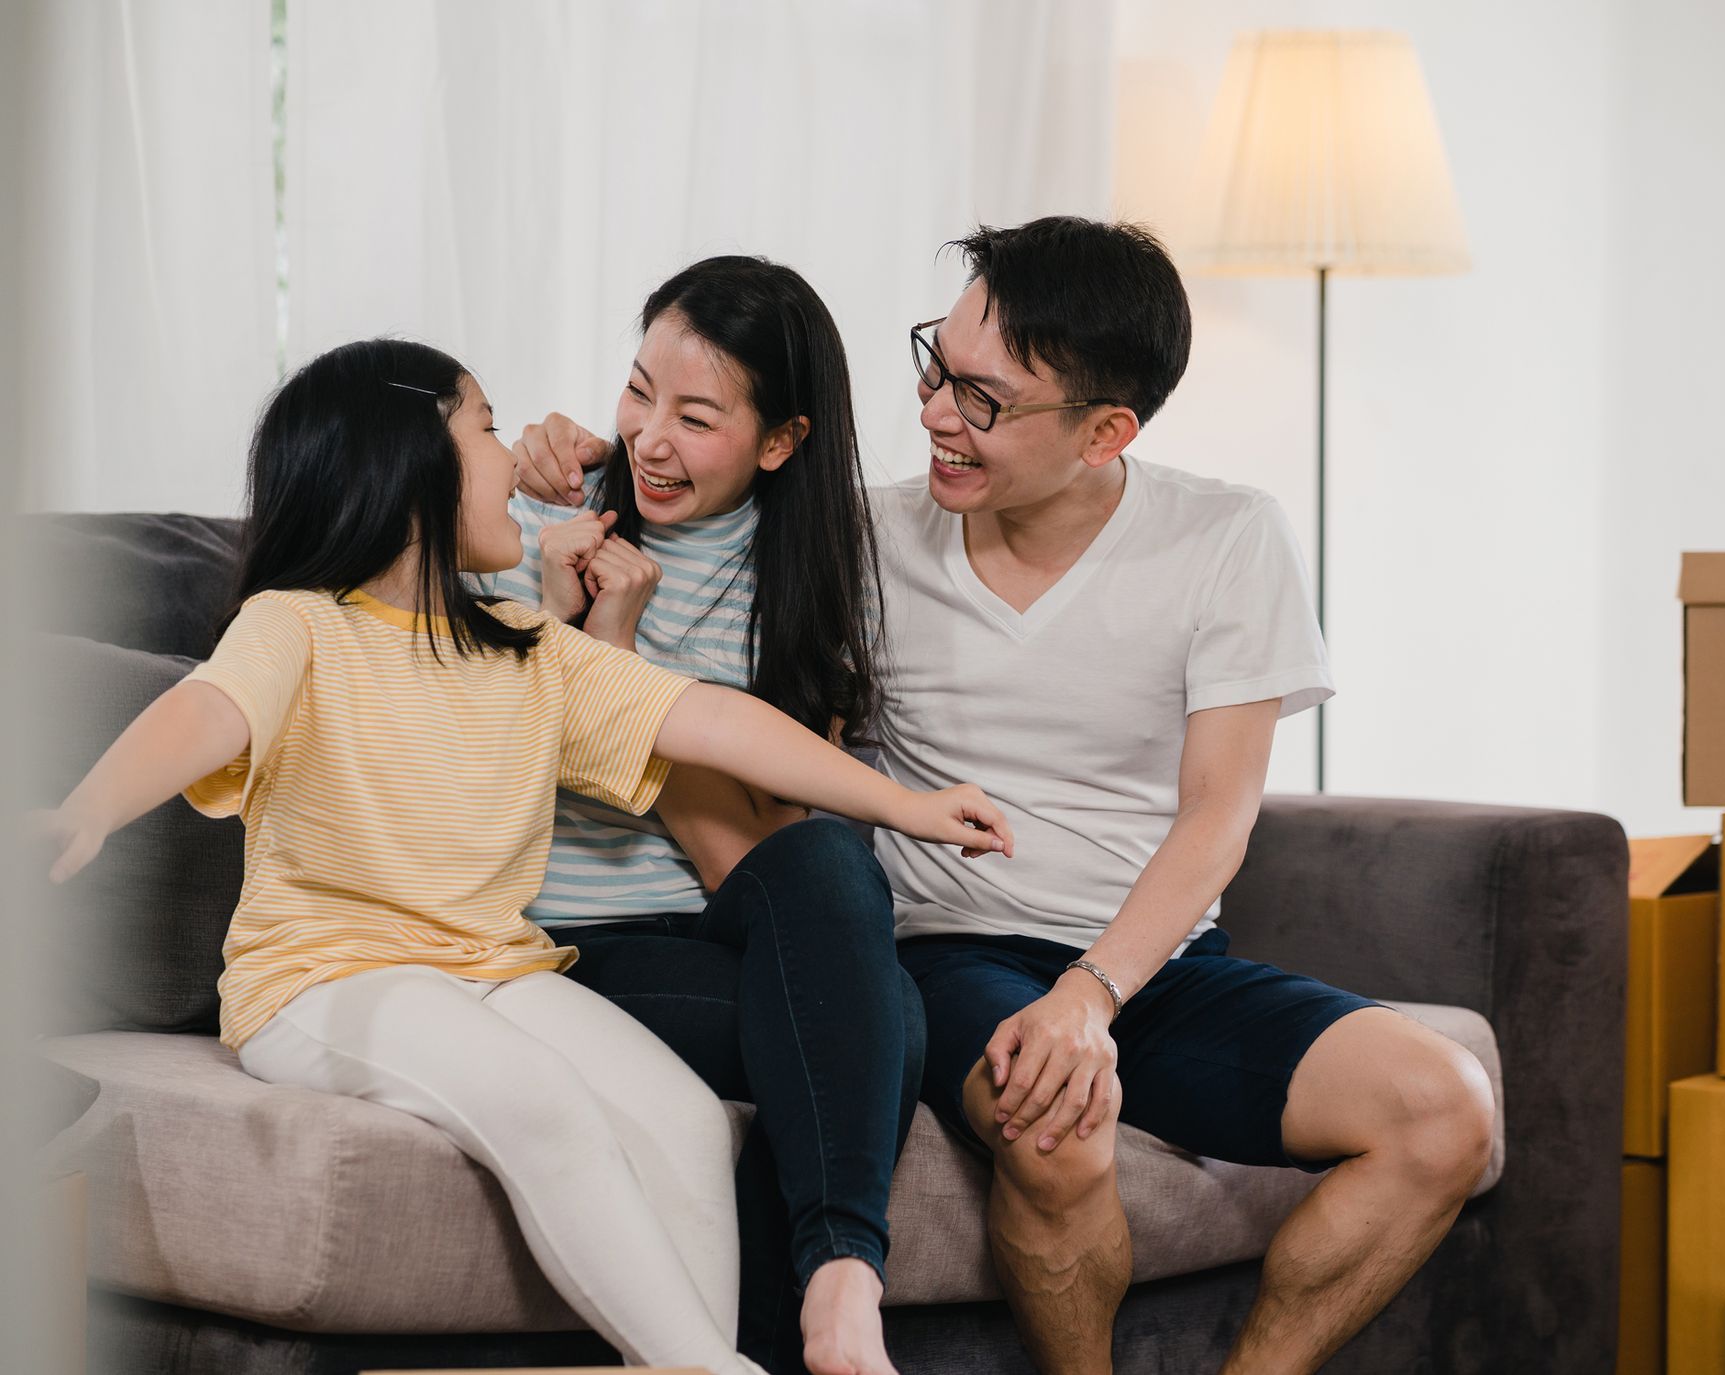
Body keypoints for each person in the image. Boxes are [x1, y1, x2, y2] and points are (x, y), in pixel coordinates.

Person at [35, 338, 1011, 1375]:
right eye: (487, 428)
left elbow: (710, 720)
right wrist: (90, 807)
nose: (519, 459)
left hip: (493, 969)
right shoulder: (298, 626)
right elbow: (208, 709)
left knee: (681, 1122)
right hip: (322, 981)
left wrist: (903, 802)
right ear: (411, 469)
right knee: (542, 1102)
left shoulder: (526, 645)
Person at [875, 217, 1497, 1375]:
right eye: (934, 367)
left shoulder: (1225, 535)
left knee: (1447, 1106)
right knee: (1052, 1118)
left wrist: (1091, 991)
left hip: (1153, 963)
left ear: (1107, 430)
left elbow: (1221, 811)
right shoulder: (866, 539)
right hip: (949, 952)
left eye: (982, 399)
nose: (932, 415)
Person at [495, 256, 919, 1375]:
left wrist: (620, 667)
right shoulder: (538, 528)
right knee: (878, 1034)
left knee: (831, 872)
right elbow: (481, 769)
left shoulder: (811, 576)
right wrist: (580, 636)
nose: (649, 439)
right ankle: (840, 1297)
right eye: (639, 392)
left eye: (696, 415)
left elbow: (770, 862)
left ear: (782, 441)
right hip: (564, 950)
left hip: (722, 922)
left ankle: (829, 1304)